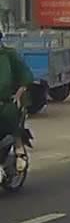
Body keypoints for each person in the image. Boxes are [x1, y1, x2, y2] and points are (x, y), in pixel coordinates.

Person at [0, 30, 33, 167]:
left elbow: (25, 76)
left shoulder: (9, 55)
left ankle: (19, 148)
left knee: (10, 118)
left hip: (8, 102)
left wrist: (18, 95)